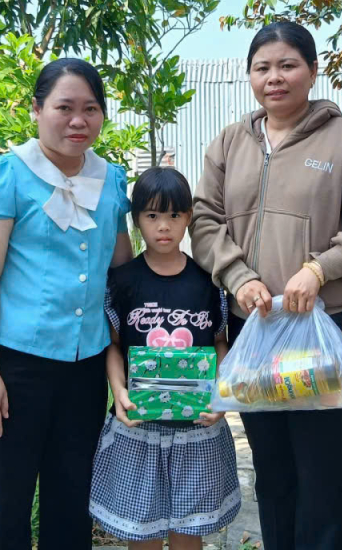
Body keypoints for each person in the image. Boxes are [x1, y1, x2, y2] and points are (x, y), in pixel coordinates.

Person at [190, 21, 342, 550]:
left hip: (322, 331)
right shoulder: (230, 142)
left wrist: (320, 268)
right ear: (249, 76)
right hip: (255, 329)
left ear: (312, 70)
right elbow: (205, 221)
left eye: (288, 65)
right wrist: (238, 275)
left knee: (322, 474)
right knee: (273, 471)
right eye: (262, 67)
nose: (274, 77)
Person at [0, 58, 133, 550]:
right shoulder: (6, 174)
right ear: (37, 110)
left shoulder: (111, 180)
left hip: (85, 370)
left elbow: (122, 271)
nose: (78, 121)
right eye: (64, 108)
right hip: (15, 367)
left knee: (72, 505)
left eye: (91, 109)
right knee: (3, 507)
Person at [90, 167, 241, 549]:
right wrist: (119, 393)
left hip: (196, 428)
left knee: (189, 533)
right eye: (152, 215)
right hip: (139, 426)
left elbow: (219, 343)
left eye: (174, 215)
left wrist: (221, 395)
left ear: (189, 218)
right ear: (137, 219)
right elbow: (113, 345)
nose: (163, 226)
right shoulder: (123, 281)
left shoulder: (207, 281)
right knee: (142, 533)